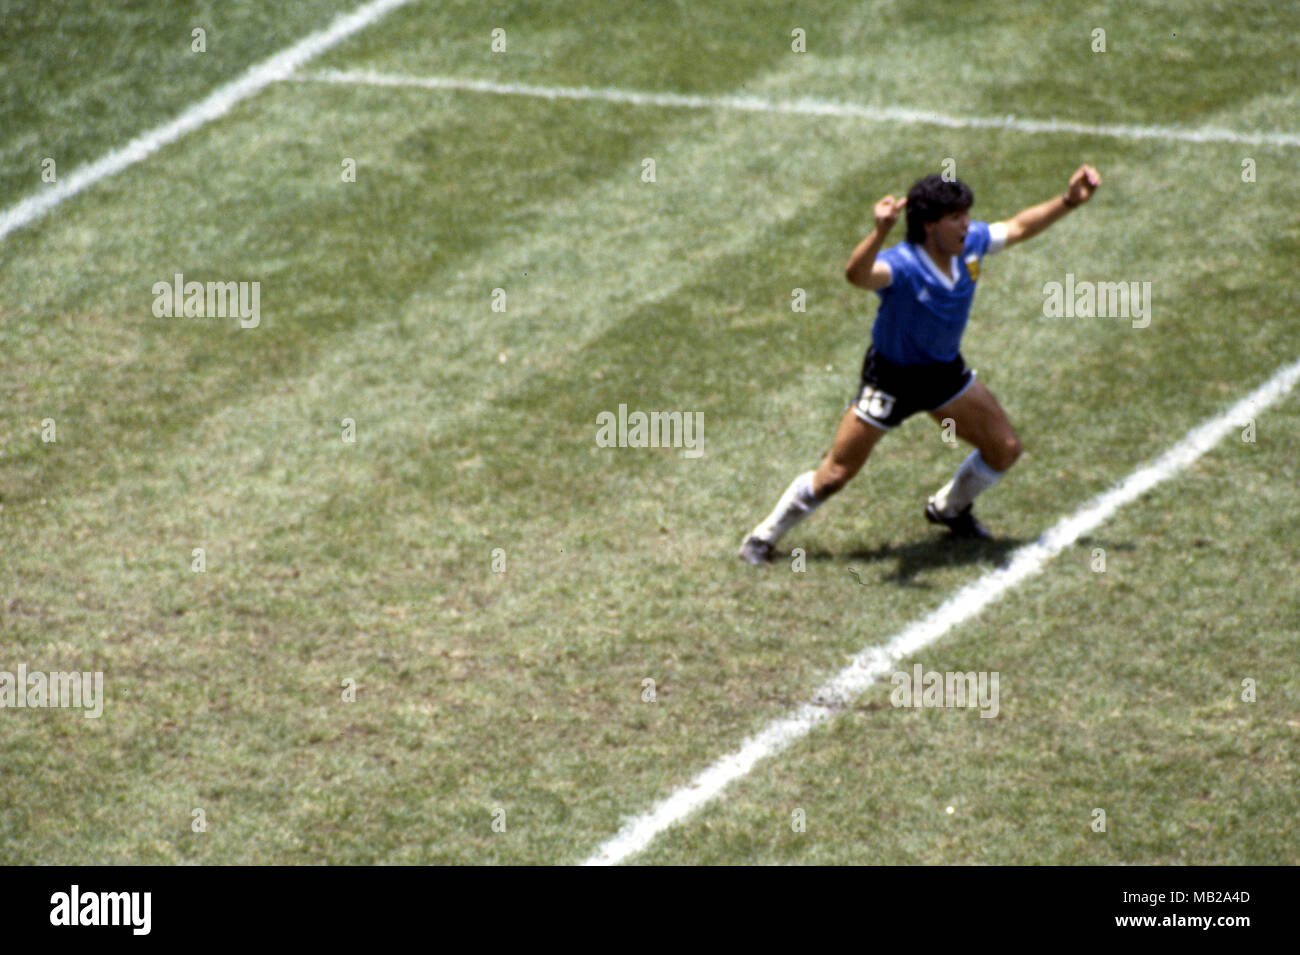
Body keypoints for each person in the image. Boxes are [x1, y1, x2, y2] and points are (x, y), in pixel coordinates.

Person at [739, 165, 1102, 564]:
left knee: (1004, 449)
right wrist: (879, 232)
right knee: (834, 476)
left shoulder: (971, 244)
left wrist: (1068, 201)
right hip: (890, 381)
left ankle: (948, 509)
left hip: (944, 375)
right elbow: (856, 276)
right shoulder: (902, 265)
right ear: (929, 225)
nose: (967, 225)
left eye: (966, 215)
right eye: (955, 219)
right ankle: (763, 537)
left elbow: (1016, 228)